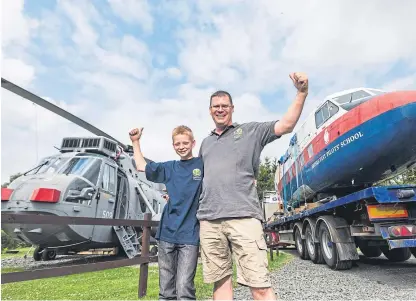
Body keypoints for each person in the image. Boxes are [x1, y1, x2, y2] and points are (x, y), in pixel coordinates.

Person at [197, 72, 309, 300]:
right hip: (209, 220)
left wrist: (301, 93)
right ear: (210, 110)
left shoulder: (250, 131)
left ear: (232, 108)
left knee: (259, 285)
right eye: (215, 106)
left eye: (224, 105)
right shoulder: (205, 143)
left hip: (244, 217)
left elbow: (286, 125)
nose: (220, 109)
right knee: (220, 284)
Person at [129, 125, 203, 300]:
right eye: (177, 143)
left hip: (190, 236)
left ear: (193, 143)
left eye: (185, 142)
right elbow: (141, 166)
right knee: (166, 290)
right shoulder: (169, 168)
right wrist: (135, 141)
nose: (182, 146)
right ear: (173, 146)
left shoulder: (202, 165)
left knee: (185, 287)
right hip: (167, 234)